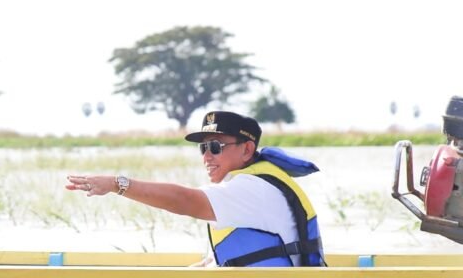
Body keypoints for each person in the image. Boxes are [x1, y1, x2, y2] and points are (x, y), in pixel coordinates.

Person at [66, 111, 325, 267]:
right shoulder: (257, 180)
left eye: (215, 147)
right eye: (203, 148)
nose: (206, 157)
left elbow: (185, 200)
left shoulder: (252, 187)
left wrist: (116, 184)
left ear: (247, 149)